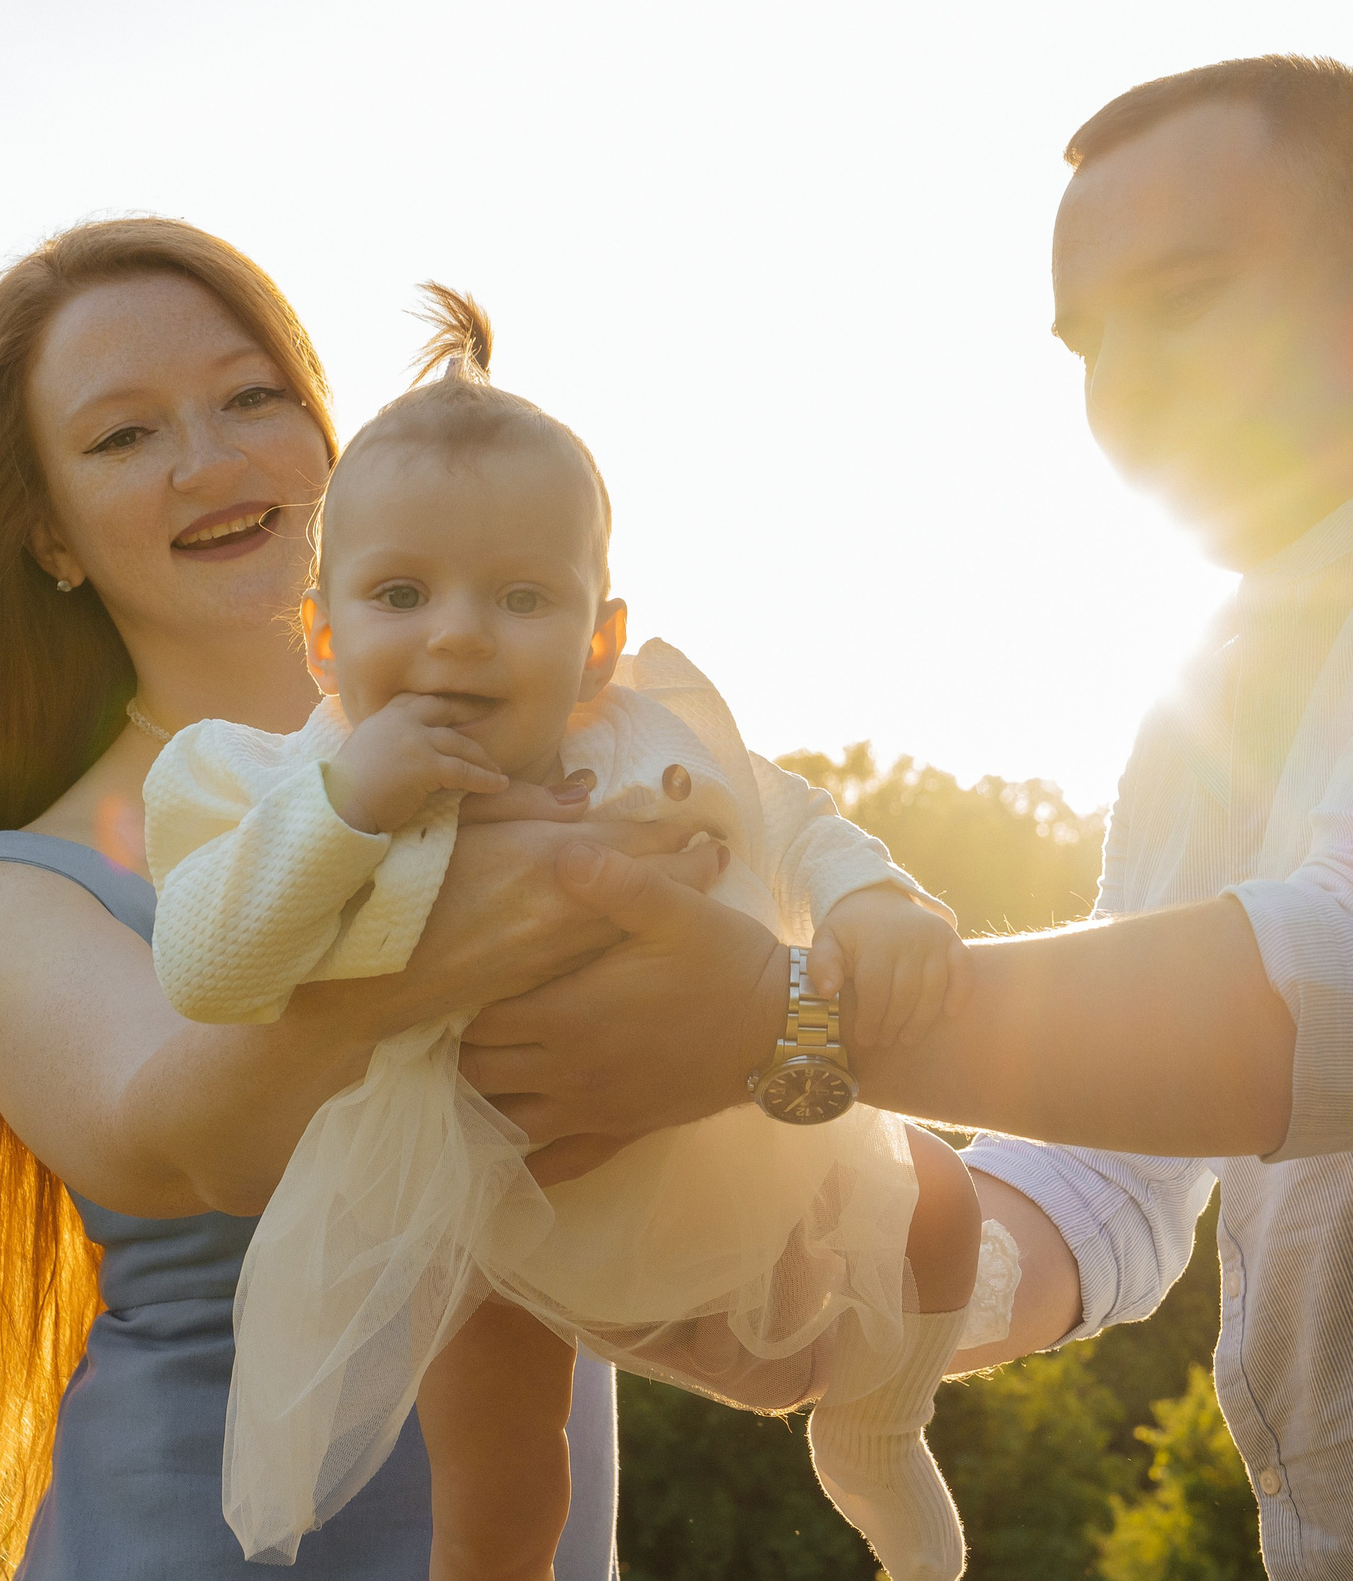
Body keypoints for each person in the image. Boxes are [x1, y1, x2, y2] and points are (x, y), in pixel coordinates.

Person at [452, 56, 1353, 1579]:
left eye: (1184, 299)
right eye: (1092, 343)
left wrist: (778, 1021)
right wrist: (854, 1295)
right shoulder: (1202, 715)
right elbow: (1113, 1181)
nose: (1125, 385)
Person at [0, 220, 720, 1580]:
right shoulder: (19, 886)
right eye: (124, 436)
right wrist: (477, 936)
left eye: (253, 398)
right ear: (48, 535)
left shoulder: (585, 746)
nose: (212, 463)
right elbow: (194, 1147)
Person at [144, 288, 1018, 1581]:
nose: (457, 632)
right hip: (481, 1195)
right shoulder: (280, 787)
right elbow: (207, 966)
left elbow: (789, 817)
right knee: (504, 1494)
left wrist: (870, 900)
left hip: (717, 1134)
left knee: (941, 1208)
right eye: (400, 593)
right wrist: (348, 806)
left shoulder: (643, 739)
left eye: (521, 596)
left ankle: (876, 1434)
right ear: (323, 638)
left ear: (598, 643)